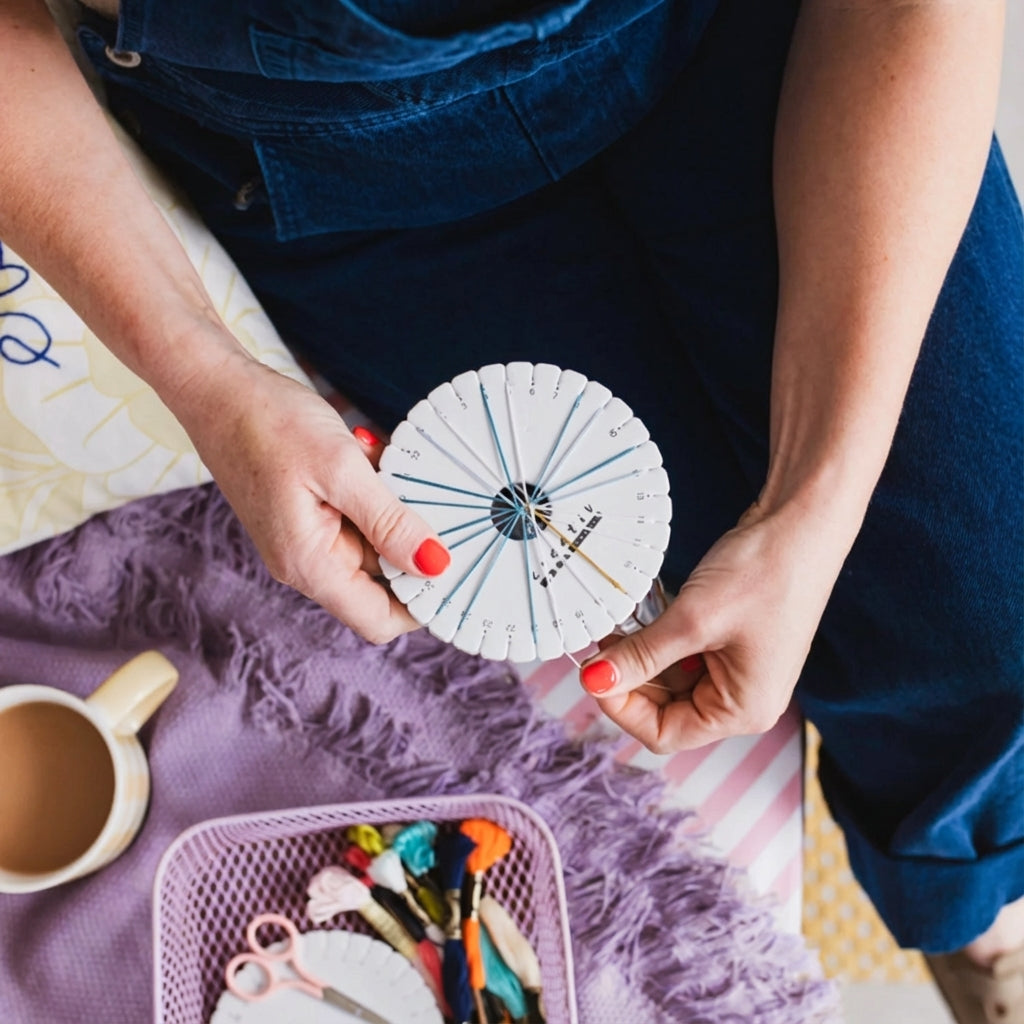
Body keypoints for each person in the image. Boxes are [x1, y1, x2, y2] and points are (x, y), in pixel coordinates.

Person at [1, 0, 1021, 1020]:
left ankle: (978, 876)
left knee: (986, 624)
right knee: (654, 589)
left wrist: (819, 493)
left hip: (749, 39)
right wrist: (210, 378)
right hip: (331, 172)